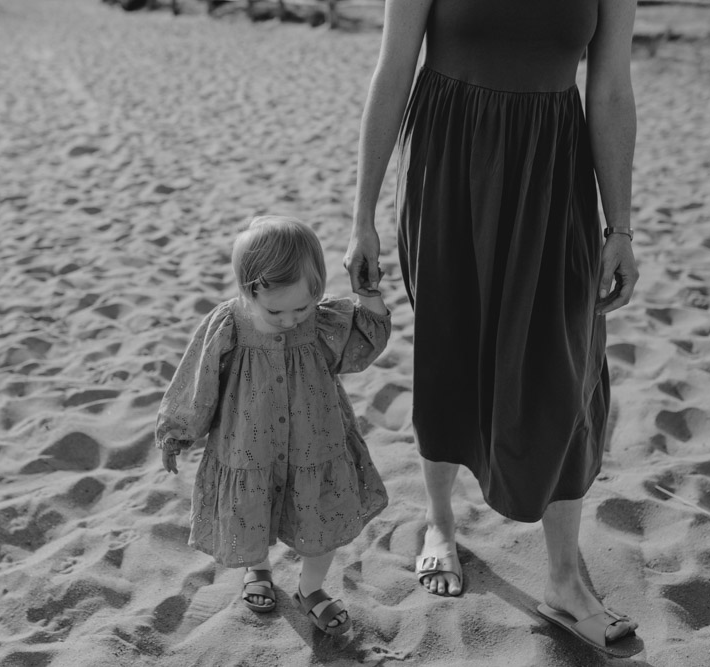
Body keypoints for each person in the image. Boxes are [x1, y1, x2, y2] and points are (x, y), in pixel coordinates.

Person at [344, 0, 641, 656]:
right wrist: (362, 213)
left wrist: (620, 225)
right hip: (450, 162)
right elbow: (394, 69)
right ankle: (440, 523)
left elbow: (612, 86)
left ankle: (565, 577)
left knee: (567, 358)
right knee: (452, 347)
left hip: (554, 169)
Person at [157, 215, 391, 635]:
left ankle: (311, 589)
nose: (289, 319)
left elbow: (364, 343)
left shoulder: (321, 321)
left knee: (322, 522)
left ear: (316, 290)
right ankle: (257, 570)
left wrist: (369, 293)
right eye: (275, 310)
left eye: (301, 306)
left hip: (314, 445)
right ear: (249, 292)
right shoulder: (228, 325)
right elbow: (199, 379)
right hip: (248, 444)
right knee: (252, 511)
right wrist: (178, 430)